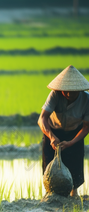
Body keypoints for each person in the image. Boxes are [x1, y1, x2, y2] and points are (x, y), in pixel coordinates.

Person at [38, 65, 89, 197]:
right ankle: (50, 194)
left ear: (79, 90)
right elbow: (42, 118)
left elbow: (86, 127)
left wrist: (72, 142)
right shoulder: (55, 94)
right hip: (53, 131)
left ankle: (74, 194)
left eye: (72, 91)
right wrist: (51, 136)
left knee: (75, 163)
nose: (68, 94)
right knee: (49, 164)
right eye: (65, 90)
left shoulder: (86, 99)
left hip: (74, 133)